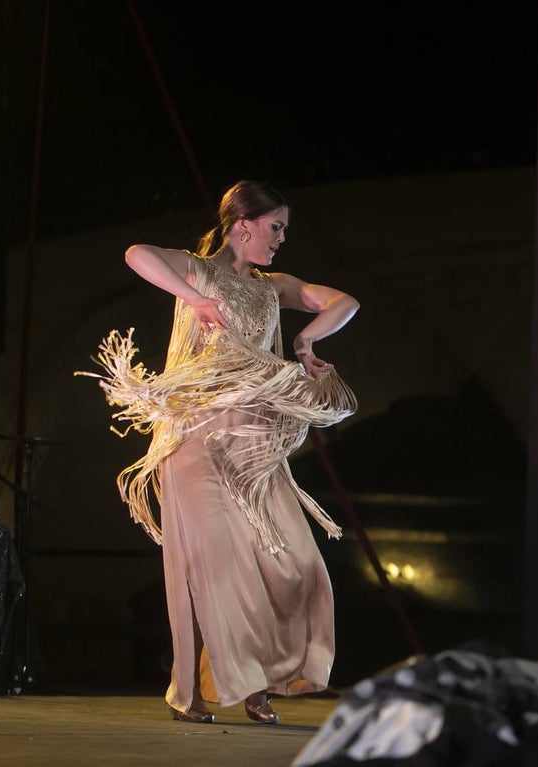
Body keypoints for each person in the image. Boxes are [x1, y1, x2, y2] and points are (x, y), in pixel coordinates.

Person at [80, 180, 359, 724]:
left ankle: (257, 676)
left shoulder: (272, 286)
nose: (280, 239)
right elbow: (136, 253)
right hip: (195, 440)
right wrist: (194, 298)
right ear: (242, 225)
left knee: (299, 567)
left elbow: (343, 302)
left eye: (284, 229)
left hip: (253, 452)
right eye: (274, 227)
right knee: (218, 572)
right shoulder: (198, 270)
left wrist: (305, 342)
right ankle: (208, 690)